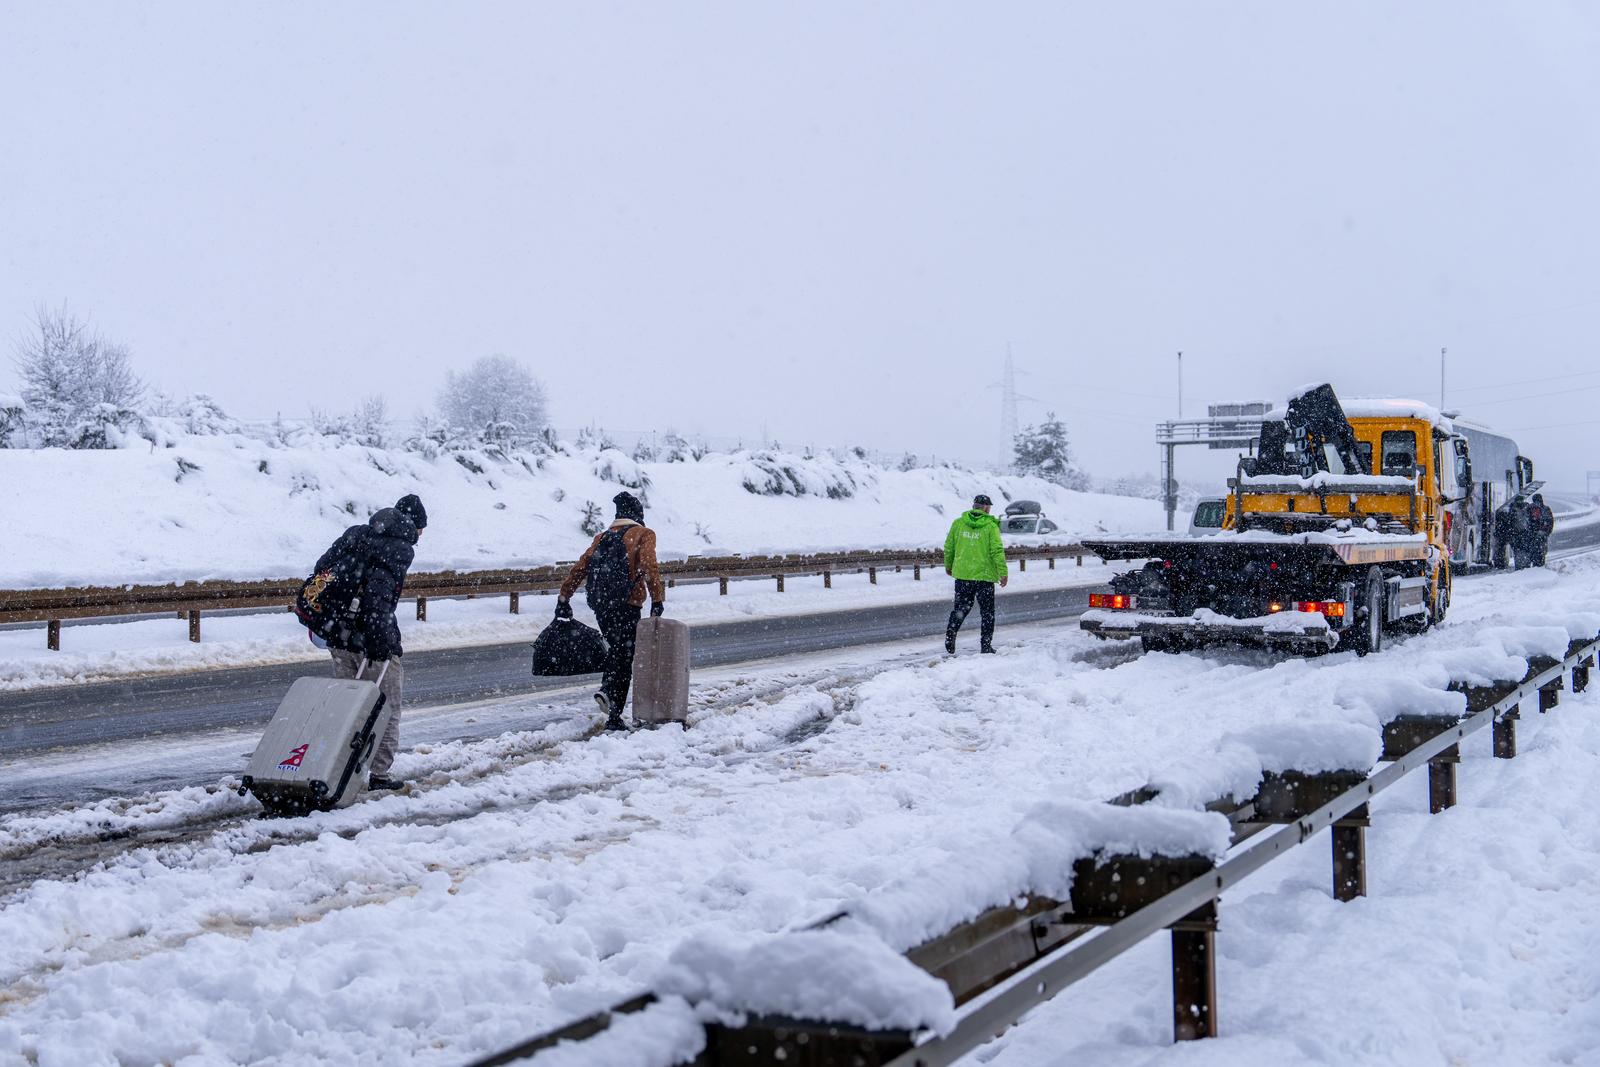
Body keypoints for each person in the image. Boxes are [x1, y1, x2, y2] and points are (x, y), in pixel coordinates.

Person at [299, 493, 426, 790]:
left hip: (337, 634)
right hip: (371, 639)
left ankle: (336, 772)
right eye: (422, 529)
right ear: (415, 525)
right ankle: (380, 775)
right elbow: (379, 602)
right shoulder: (400, 549)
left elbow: (322, 568)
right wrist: (382, 645)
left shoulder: (356, 533)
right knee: (386, 706)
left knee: (347, 707)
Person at [557, 491, 665, 730]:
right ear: (638, 514)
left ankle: (609, 697)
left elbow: (580, 568)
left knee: (617, 649)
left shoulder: (602, 537)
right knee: (624, 655)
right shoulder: (643, 534)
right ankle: (613, 709)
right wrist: (657, 599)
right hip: (627, 603)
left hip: (601, 603)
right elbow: (649, 565)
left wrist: (564, 596)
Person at [943, 493, 1008, 654]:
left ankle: (951, 633)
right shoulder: (991, 527)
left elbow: (949, 546)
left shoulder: (958, 524)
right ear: (986, 507)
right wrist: (1003, 572)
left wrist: (948, 565)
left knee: (961, 608)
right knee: (987, 613)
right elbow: (997, 551)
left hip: (963, 575)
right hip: (984, 577)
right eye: (989, 507)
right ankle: (985, 646)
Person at [1527, 493, 1555, 566]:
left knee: (1535, 551)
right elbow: (1550, 522)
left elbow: (1526, 521)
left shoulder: (1529, 508)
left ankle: (1536, 564)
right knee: (1540, 552)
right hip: (1538, 535)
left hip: (1534, 535)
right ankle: (1539, 564)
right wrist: (1546, 532)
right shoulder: (1545, 509)